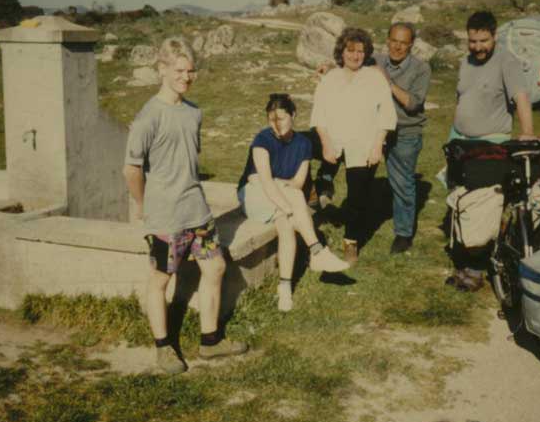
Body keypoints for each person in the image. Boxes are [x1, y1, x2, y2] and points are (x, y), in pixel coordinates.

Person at [123, 36, 247, 375]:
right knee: (160, 279)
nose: (186, 77)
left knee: (215, 268)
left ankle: (210, 342)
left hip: (197, 211)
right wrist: (142, 205)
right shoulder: (148, 117)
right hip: (165, 216)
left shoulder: (194, 113)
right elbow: (131, 169)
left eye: (191, 70)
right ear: (162, 69)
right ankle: (164, 348)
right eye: (179, 70)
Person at [446, 10, 536, 291]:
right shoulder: (465, 61)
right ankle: (463, 262)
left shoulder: (506, 62)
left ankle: (476, 269)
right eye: (473, 41)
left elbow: (521, 97)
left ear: (495, 36)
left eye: (483, 41)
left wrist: (528, 134)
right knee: (461, 202)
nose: (477, 47)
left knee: (484, 207)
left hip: (490, 146)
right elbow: (462, 97)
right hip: (461, 143)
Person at [238, 93, 350, 311]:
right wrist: (290, 208)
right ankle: (317, 251)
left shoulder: (303, 143)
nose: (276, 124)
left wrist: (286, 203)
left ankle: (285, 288)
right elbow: (264, 183)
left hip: (285, 195)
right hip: (255, 196)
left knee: (287, 225)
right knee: (294, 202)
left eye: (281, 118)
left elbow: (298, 182)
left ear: (293, 115)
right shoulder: (262, 140)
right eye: (271, 119)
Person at [310, 27, 397, 263]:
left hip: (364, 144)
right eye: (350, 50)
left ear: (366, 53)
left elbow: (387, 115)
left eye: (360, 51)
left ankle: (351, 242)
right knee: (312, 159)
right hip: (335, 140)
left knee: (358, 197)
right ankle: (321, 191)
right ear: (342, 52)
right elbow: (319, 116)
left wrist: (377, 144)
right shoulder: (331, 78)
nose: (355, 55)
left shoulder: (375, 78)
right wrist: (326, 145)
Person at [374, 22, 431, 255]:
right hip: (376, 131)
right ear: (387, 40)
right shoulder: (375, 60)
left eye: (403, 43)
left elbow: (413, 103)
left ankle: (404, 233)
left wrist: (386, 83)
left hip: (404, 133)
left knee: (403, 184)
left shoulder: (421, 69)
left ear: (411, 45)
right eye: (394, 41)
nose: (397, 47)